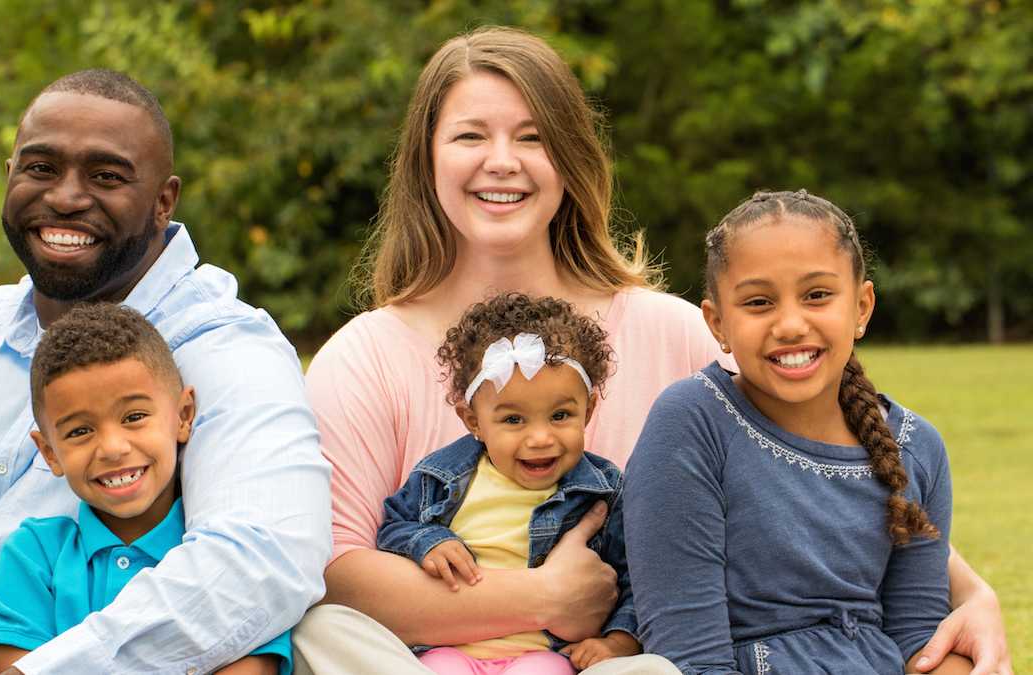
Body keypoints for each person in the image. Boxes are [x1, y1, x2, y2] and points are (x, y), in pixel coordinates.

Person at [296, 26, 1010, 675]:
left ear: (572, 158)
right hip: (429, 664)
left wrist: (971, 592)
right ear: (425, 160)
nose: (502, 162)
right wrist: (544, 596)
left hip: (621, 660)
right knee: (320, 631)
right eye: (470, 137)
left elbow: (832, 470)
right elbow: (332, 568)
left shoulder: (672, 331)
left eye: (534, 137)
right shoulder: (364, 357)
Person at [0, 69, 330, 675]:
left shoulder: (223, 350)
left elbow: (261, 561)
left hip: (75, 646)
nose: (66, 197)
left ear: (163, 201)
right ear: (10, 175)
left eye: (106, 176)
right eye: (40, 168)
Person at [625, 189, 972, 674]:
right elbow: (690, 657)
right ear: (717, 323)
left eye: (816, 295)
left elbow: (918, 638)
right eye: (759, 302)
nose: (790, 324)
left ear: (862, 308)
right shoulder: (692, 422)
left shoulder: (916, 445)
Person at [0, 303, 293, 675]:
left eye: (134, 417)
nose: (113, 448)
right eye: (80, 431)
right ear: (50, 452)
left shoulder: (223, 557)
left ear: (183, 416)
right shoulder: (34, 558)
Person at [377, 293, 670, 674]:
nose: (540, 438)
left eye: (560, 415)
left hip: (544, 657)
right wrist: (428, 542)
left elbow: (635, 578)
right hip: (448, 648)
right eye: (514, 420)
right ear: (473, 421)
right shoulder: (441, 478)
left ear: (589, 410)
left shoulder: (603, 491)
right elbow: (392, 528)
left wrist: (617, 640)